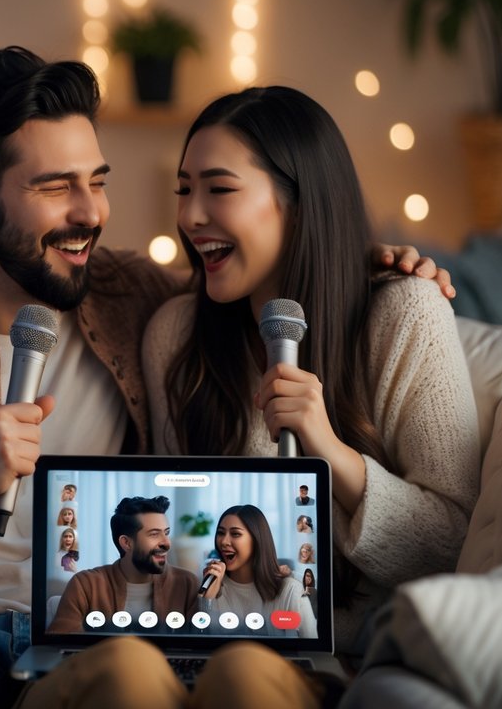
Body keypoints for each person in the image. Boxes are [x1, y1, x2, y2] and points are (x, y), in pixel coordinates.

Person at [0, 49, 449, 708]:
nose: (90, 213)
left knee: (133, 668)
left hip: (102, 642)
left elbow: (253, 271)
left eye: (96, 181)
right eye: (54, 186)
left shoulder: (136, 301)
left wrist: (372, 264)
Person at [143, 85, 479, 655]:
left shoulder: (407, 312)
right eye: (183, 190)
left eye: (219, 188)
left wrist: (329, 450)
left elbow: (452, 547)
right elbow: (181, 535)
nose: (189, 216)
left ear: (299, 204)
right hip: (210, 648)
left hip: (352, 658)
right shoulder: (175, 335)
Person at [48, 495, 199, 633]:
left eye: (166, 533)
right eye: (154, 534)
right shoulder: (86, 585)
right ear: (126, 543)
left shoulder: (186, 583)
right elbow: (62, 645)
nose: (166, 543)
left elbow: (201, 646)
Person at [197, 505, 318, 639]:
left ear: (257, 539)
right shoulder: (210, 586)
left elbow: (314, 650)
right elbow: (199, 645)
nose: (224, 542)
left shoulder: (291, 591)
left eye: (235, 534)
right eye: (220, 533)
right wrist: (207, 600)